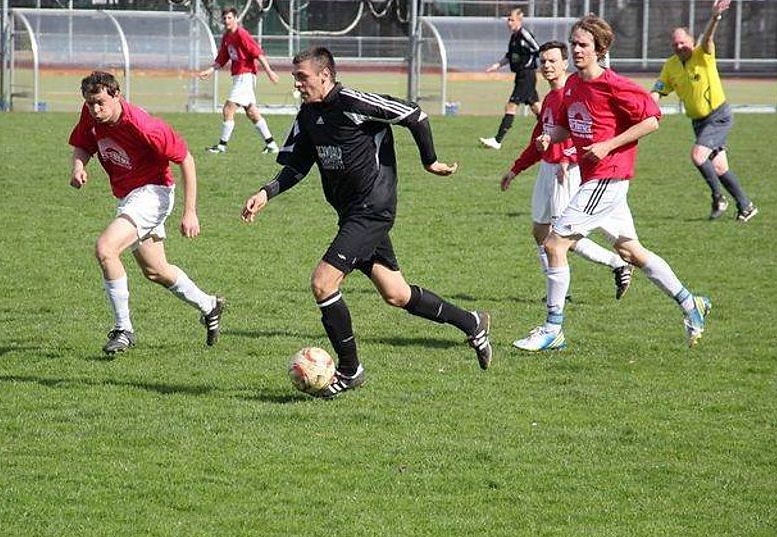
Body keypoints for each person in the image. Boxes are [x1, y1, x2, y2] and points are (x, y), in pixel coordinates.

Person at [241, 46, 492, 399]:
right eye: (295, 77)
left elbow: (414, 115)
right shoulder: (308, 114)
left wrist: (429, 161)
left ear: (324, 75)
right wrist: (266, 193)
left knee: (323, 283)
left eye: (302, 77)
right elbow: (298, 165)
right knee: (397, 294)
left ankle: (349, 370)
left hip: (373, 209)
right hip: (350, 213)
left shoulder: (354, 103)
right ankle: (472, 322)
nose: (296, 83)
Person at [512, 15, 711, 352]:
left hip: (609, 177)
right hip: (596, 179)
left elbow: (652, 120)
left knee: (554, 245)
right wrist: (549, 137)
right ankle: (691, 303)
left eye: (583, 45)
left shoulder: (614, 85)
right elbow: (566, 127)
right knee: (630, 251)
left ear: (600, 49)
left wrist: (608, 145)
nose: (576, 50)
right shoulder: (573, 85)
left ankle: (553, 329)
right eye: (574, 43)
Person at [69, 71, 225, 354]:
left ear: (117, 95)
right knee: (156, 271)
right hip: (129, 197)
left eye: (101, 102)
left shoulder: (144, 126)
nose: (95, 109)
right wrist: (79, 167)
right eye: (90, 103)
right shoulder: (91, 114)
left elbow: (186, 160)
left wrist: (190, 212)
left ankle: (123, 329)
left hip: (154, 193)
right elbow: (83, 144)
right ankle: (209, 305)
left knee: (106, 249)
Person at [499, 41, 632, 301]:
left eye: (552, 61)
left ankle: (617, 263)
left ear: (565, 63)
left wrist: (567, 157)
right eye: (543, 61)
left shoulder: (573, 94)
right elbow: (538, 141)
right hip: (548, 169)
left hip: (566, 171)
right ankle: (560, 289)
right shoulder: (550, 98)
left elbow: (588, 132)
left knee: (563, 235)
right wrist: (515, 170)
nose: (547, 66)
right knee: (540, 231)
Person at [651, 0, 757, 222]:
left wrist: (715, 17)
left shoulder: (703, 54)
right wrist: (647, 107)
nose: (679, 46)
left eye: (683, 42)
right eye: (675, 44)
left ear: (692, 41)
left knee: (698, 156)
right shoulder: (671, 65)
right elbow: (659, 90)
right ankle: (746, 206)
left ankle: (718, 198)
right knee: (719, 167)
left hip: (718, 116)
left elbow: (708, 38)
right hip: (698, 122)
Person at [197, 6, 281, 154]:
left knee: (228, 109)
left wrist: (269, 72)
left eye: (229, 17)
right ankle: (272, 145)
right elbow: (222, 58)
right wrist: (210, 70)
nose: (226, 21)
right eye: (224, 18)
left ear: (236, 19)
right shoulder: (227, 37)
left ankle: (221, 146)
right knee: (252, 112)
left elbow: (258, 53)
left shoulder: (242, 34)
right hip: (239, 77)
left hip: (245, 76)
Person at [479, 7, 541, 150]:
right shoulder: (514, 37)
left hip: (526, 75)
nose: (509, 22)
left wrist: (532, 64)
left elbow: (538, 49)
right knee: (537, 108)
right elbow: (509, 56)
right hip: (521, 75)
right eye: (508, 19)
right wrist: (497, 65)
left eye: (512, 20)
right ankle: (552, 133)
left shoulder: (524, 34)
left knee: (511, 106)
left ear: (519, 20)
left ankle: (497, 140)